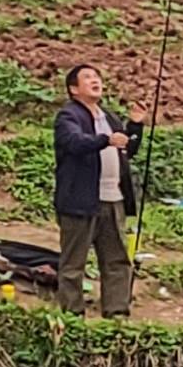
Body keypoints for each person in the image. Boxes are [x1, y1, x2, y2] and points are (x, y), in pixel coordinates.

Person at [51, 62, 142, 318]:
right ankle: (72, 317)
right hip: (80, 202)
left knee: (117, 261)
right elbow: (74, 142)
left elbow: (127, 150)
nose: (95, 80)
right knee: (73, 264)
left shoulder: (109, 116)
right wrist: (105, 140)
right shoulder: (69, 116)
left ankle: (117, 314)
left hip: (114, 200)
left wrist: (134, 126)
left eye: (97, 76)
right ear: (73, 89)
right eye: (87, 77)